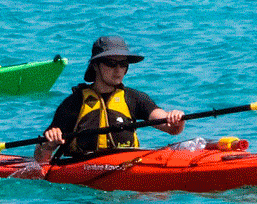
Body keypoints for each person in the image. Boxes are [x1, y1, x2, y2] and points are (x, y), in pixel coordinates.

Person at [36, 36, 186, 161]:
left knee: (160, 197)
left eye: (123, 64)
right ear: (95, 65)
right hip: (83, 180)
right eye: (111, 63)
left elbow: (171, 128)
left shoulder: (134, 98)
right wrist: (48, 145)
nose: (118, 70)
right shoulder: (73, 103)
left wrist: (176, 118)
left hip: (127, 167)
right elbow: (40, 159)